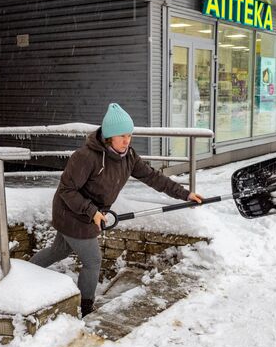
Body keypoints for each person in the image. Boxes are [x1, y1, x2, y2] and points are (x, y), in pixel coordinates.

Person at [30, 103, 202, 317]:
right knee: (92, 261)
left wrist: (184, 194)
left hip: (90, 214)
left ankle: (24, 272)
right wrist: (92, 211)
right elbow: (67, 190)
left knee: (60, 250)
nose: (127, 141)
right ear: (109, 136)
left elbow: (152, 177)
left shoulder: (128, 156)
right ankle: (85, 309)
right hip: (73, 213)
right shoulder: (86, 157)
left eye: (129, 135)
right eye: (122, 136)